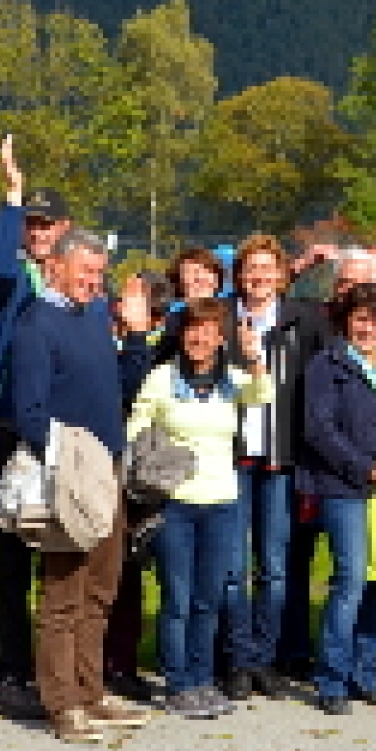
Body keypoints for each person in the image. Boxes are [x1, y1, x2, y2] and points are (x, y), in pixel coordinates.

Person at [9, 228, 156, 743]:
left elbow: (122, 389)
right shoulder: (36, 324)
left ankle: (91, 693)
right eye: (85, 272)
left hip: (107, 472)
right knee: (63, 594)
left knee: (102, 587)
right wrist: (68, 469)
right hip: (71, 477)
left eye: (98, 273)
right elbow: (26, 412)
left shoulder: (92, 317)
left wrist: (135, 338)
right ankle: (62, 702)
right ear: (56, 268)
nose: (94, 282)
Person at [127, 299, 266, 719]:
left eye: (209, 330)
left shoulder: (231, 381)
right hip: (175, 505)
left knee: (208, 600)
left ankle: (202, 680)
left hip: (221, 503)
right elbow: (135, 430)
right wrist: (147, 467)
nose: (200, 338)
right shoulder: (161, 379)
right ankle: (177, 683)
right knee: (178, 599)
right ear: (181, 333)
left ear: (221, 338)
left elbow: (263, 393)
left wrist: (255, 356)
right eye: (193, 328)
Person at [0, 136, 71, 718]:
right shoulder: (12, 281)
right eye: (30, 225)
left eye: (45, 224)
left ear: (65, 228)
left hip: (65, 433)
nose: (37, 233)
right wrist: (11, 197)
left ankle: (57, 669)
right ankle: (10, 669)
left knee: (61, 554)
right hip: (13, 428)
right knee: (13, 554)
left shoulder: (75, 285)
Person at [300, 283, 376, 715]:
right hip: (345, 487)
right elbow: (320, 430)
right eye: (360, 319)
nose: (368, 328)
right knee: (350, 580)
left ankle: (364, 673)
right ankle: (331, 679)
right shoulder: (327, 365)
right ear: (346, 320)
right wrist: (363, 468)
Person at [221, 235, 329, 699]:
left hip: (282, 460)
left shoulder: (305, 320)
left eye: (267, 269)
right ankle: (237, 659)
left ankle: (266, 658)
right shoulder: (223, 323)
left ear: (283, 275)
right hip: (231, 459)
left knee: (275, 567)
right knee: (232, 566)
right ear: (238, 276)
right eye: (250, 269)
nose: (259, 277)